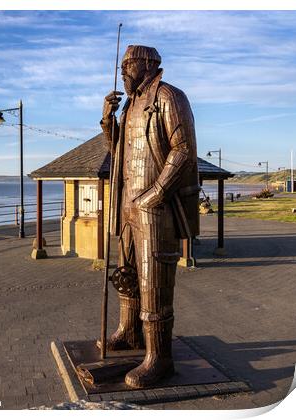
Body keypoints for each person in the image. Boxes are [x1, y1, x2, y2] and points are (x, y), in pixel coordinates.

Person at [100, 45, 199, 387]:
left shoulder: (169, 97)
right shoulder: (129, 106)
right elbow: (119, 151)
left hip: (154, 209)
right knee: (127, 273)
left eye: (128, 65)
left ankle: (160, 357)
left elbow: (183, 150)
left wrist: (154, 195)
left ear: (147, 64)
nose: (122, 72)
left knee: (153, 282)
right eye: (122, 66)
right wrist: (107, 121)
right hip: (127, 204)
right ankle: (130, 332)